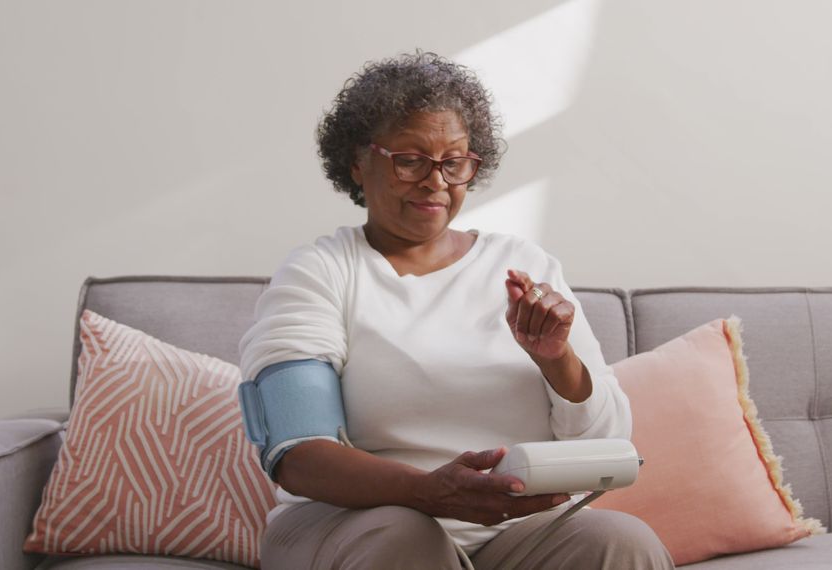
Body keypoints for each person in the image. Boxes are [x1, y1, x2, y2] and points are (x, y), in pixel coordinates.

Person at [239, 51, 674, 570]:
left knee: (621, 540)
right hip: (352, 522)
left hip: (507, 530)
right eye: (410, 160)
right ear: (358, 161)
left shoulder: (525, 267)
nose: (436, 182)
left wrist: (556, 360)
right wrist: (429, 492)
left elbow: (606, 446)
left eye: (454, 162)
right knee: (407, 536)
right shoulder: (321, 271)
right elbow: (298, 452)